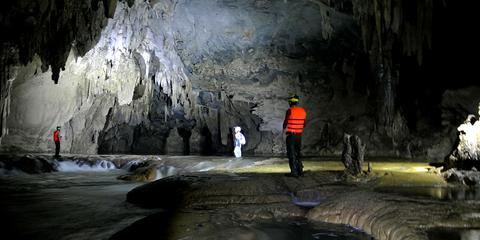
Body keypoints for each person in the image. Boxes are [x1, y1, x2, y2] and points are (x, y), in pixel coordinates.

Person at [283, 94, 307, 177]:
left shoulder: (289, 110)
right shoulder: (303, 111)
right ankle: (300, 170)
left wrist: (284, 130)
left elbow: (285, 123)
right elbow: (304, 124)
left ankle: (294, 172)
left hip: (291, 135)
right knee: (298, 153)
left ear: (290, 102)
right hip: (299, 136)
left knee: (291, 153)